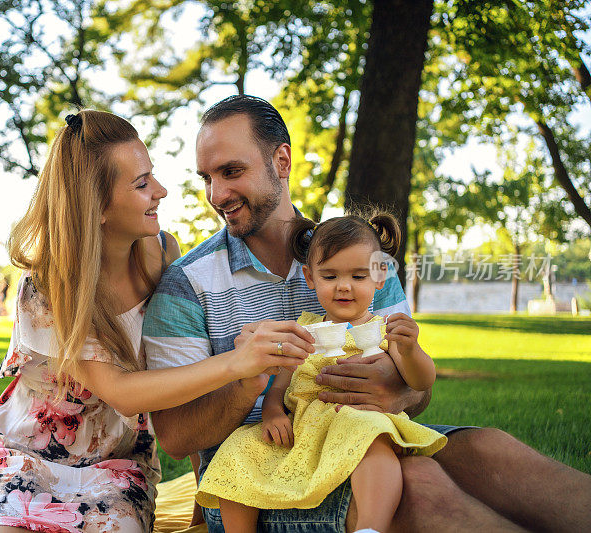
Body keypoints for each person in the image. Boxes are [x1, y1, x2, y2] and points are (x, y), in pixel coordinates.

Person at [142, 94, 591, 532]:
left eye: (232, 171)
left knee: (491, 451)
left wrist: (397, 388)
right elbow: (177, 438)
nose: (217, 194)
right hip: (255, 476)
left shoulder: (363, 258)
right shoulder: (188, 283)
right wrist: (246, 383)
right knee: (417, 484)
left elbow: (416, 393)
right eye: (206, 177)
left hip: (358, 433)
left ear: (281, 161)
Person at [0, 110, 307, 533]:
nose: (160, 191)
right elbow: (122, 393)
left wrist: (203, 495)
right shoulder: (47, 288)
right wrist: (237, 363)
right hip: (31, 459)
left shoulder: (161, 254)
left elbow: (181, 369)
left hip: (117, 466)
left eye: (152, 177)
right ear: (98, 207)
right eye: (142, 184)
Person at [197, 211, 446, 533]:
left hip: (355, 418)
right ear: (310, 277)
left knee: (374, 440)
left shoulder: (384, 330)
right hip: (303, 429)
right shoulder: (305, 333)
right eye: (330, 276)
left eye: (358, 276)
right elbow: (277, 388)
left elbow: (421, 381)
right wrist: (273, 414)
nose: (344, 287)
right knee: (239, 448)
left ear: (379, 276)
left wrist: (411, 350)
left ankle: (371, 527)